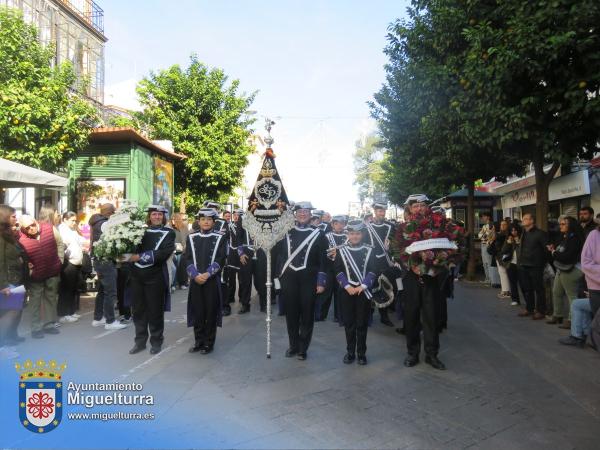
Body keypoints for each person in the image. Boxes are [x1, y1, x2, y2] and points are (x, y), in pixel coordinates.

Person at [274, 202, 327, 360]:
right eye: (299, 212)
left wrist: (321, 282)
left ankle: (303, 348)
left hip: (309, 279)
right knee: (291, 314)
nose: (302, 214)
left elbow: (323, 260)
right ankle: (293, 345)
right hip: (289, 279)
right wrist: (278, 280)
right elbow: (279, 257)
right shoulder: (286, 233)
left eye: (305, 212)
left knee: (307, 314)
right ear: (295, 214)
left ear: (311, 215)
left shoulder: (319, 234)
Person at [128, 205, 175, 355]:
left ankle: (156, 341)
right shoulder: (139, 231)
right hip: (137, 275)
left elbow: (164, 253)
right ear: (149, 216)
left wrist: (139, 257)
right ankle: (140, 342)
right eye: (154, 214)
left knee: (155, 311)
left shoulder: (169, 233)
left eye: (159, 214)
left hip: (155, 276)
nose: (156, 217)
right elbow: (130, 250)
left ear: (163, 216)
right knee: (138, 311)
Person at [333, 220, 377, 365]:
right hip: (347, 292)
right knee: (349, 323)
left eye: (357, 233)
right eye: (352, 234)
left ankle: (361, 353)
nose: (355, 236)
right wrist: (347, 286)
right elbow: (337, 270)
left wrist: (362, 286)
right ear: (348, 234)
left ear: (362, 234)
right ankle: (350, 352)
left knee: (361, 323)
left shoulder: (370, 249)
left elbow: (373, 270)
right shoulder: (341, 250)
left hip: (362, 292)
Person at [185, 208, 227, 354]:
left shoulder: (220, 238)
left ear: (214, 222)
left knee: (210, 311)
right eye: (203, 219)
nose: (206, 222)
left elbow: (221, 259)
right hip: (196, 279)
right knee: (198, 311)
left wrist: (208, 274)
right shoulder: (191, 237)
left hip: (211, 280)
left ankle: (209, 342)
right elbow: (188, 258)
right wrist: (195, 275)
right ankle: (198, 341)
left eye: (209, 219)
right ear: (199, 221)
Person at [18, 215, 62, 338]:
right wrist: (27, 266)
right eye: (28, 227)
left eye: (33, 224)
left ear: (35, 221)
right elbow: (19, 256)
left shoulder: (49, 228)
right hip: (36, 274)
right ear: (23, 228)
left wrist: (60, 261)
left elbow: (59, 243)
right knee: (35, 301)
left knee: (51, 298)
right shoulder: (21, 239)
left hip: (52, 270)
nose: (32, 228)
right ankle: (36, 328)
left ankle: (49, 324)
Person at [559, 220, 600, 347]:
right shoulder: (594, 235)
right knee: (577, 303)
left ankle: (581, 336)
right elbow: (586, 263)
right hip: (596, 288)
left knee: (576, 302)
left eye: (563, 223)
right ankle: (581, 336)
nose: (561, 226)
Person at [89, 203, 125, 330]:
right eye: (114, 212)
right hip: (106, 261)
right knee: (110, 292)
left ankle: (98, 318)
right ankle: (110, 321)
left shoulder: (96, 222)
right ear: (110, 212)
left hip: (99, 260)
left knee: (102, 291)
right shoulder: (105, 223)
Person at [546, 216, 584, 328]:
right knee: (556, 292)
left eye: (563, 224)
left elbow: (567, 256)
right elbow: (562, 251)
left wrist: (553, 252)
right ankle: (558, 315)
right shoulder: (565, 237)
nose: (560, 226)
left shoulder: (574, 238)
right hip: (562, 268)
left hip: (571, 269)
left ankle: (572, 320)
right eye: (560, 224)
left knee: (571, 295)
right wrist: (555, 249)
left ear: (570, 226)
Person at [364, 202, 396, 327]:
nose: (381, 213)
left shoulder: (390, 226)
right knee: (370, 288)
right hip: (371, 262)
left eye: (383, 211)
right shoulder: (366, 227)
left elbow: (395, 244)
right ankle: (369, 315)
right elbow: (363, 243)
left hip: (385, 262)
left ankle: (384, 316)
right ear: (374, 211)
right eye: (379, 211)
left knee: (385, 289)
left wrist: (391, 247)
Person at [0, 205, 26, 358]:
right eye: (12, 216)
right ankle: (2, 346)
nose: (16, 218)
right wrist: (2, 285)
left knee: (12, 311)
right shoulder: (1, 236)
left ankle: (4, 344)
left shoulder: (6, 234)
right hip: (7, 281)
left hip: (13, 278)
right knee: (11, 311)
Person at [57, 211, 88, 323]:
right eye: (72, 220)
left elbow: (79, 241)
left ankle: (70, 311)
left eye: (75, 220)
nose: (74, 223)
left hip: (76, 262)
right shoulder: (62, 230)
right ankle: (63, 313)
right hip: (68, 262)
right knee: (66, 289)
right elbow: (62, 246)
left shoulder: (72, 230)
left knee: (73, 288)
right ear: (65, 219)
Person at [517, 213, 548, 319]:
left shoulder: (540, 234)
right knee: (527, 289)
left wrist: (542, 263)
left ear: (532, 221)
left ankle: (540, 310)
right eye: (523, 218)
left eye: (525, 219)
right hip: (524, 264)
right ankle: (529, 308)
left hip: (536, 265)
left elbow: (546, 250)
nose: (523, 220)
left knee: (538, 289)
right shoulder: (523, 233)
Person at [317, 215, 348, 322]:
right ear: (332, 225)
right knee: (326, 293)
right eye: (337, 223)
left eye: (342, 223)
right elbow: (323, 253)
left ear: (344, 224)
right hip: (329, 268)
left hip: (343, 269)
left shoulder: (348, 237)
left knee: (340, 293)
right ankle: (321, 314)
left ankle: (339, 316)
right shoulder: (326, 236)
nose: (339, 225)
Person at [225, 209, 253, 314]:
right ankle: (241, 301)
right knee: (237, 279)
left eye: (239, 215)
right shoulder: (232, 225)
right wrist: (240, 252)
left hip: (254, 253)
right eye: (235, 215)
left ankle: (261, 302)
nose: (236, 217)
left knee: (254, 279)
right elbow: (236, 239)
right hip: (237, 254)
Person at [500, 223, 522, 306]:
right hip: (511, 263)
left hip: (521, 263)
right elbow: (503, 251)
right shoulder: (508, 239)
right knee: (513, 282)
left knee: (523, 283)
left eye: (515, 230)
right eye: (512, 230)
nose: (514, 232)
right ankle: (515, 299)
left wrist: (517, 242)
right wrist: (508, 243)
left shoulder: (522, 238)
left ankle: (528, 301)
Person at [478, 212, 500, 287]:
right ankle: (487, 278)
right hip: (483, 244)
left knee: (488, 262)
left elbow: (490, 235)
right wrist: (483, 235)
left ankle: (490, 279)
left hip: (488, 245)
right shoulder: (484, 226)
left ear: (488, 217)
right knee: (485, 263)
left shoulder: (492, 225)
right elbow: (479, 235)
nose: (482, 218)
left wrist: (484, 236)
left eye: (483, 216)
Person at [492, 220, 511, 299]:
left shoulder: (505, 234)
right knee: (502, 273)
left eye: (504, 224)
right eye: (501, 224)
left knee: (503, 273)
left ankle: (506, 291)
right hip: (499, 255)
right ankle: (504, 290)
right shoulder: (500, 234)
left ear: (507, 225)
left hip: (503, 255)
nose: (502, 226)